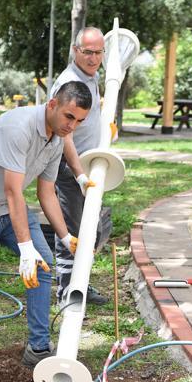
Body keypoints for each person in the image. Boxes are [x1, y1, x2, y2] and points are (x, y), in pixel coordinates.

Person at [0, 81, 92, 366]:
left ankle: (37, 348)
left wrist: (65, 237)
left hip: (7, 206)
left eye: (79, 121)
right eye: (69, 116)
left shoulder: (57, 138)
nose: (72, 126)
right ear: (52, 105)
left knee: (43, 264)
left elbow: (46, 192)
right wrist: (26, 250)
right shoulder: (18, 127)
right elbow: (13, 190)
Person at [50, 26, 111, 306]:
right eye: (87, 52)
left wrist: (104, 131)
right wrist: (79, 174)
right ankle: (67, 291)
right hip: (70, 168)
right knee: (72, 231)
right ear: (76, 50)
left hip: (91, 166)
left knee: (94, 230)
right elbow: (66, 136)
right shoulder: (69, 83)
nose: (93, 58)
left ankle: (82, 281)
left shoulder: (92, 75)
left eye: (98, 52)